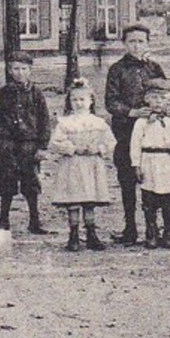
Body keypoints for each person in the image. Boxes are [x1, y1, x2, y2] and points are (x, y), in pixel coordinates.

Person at [103, 24, 168, 246]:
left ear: (147, 43)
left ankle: (154, 228)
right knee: (127, 181)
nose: (136, 45)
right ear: (124, 43)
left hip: (152, 135)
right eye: (132, 41)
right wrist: (131, 112)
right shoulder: (117, 69)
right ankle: (130, 227)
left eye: (141, 41)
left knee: (154, 180)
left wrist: (158, 111)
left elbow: (167, 96)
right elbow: (110, 101)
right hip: (126, 133)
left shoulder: (155, 68)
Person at [49, 79, 115, 251]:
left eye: (82, 99)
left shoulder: (98, 123)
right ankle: (73, 235)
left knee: (89, 200)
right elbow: (55, 143)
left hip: (92, 164)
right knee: (73, 198)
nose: (78, 103)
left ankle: (92, 234)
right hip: (73, 164)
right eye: (74, 100)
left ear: (91, 101)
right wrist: (73, 148)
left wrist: (98, 148)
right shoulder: (65, 123)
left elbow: (110, 142)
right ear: (69, 101)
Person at [0, 52, 52, 235]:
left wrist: (42, 146)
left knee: (31, 183)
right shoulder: (3, 93)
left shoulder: (36, 94)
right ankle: (3, 219)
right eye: (16, 69)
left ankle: (35, 220)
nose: (20, 73)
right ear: (10, 71)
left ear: (30, 70)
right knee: (6, 181)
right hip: (7, 144)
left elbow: (44, 121)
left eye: (24, 69)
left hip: (29, 145)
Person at [129, 80, 170, 249]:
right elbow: (135, 144)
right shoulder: (141, 122)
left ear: (169, 101)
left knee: (169, 200)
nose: (158, 102)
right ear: (146, 99)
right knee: (149, 200)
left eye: (162, 98)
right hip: (150, 161)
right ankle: (151, 231)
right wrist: (136, 166)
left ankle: (167, 231)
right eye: (154, 98)